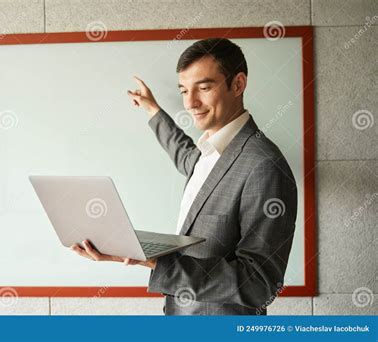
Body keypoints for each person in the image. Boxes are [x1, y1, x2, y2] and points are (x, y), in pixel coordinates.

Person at [71, 38, 297, 315]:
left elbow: (258, 283)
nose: (190, 102)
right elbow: (182, 153)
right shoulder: (207, 154)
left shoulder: (264, 165)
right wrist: (152, 110)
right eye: (183, 90)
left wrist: (153, 261)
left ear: (238, 84)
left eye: (204, 87)